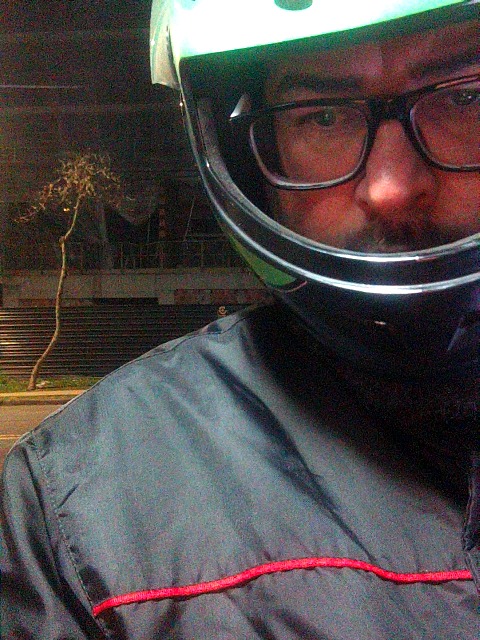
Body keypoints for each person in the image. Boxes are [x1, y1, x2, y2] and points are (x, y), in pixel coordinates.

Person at [1, 0, 479, 637]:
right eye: (323, 116)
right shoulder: (81, 507)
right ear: (249, 159)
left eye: (465, 99)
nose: (390, 188)